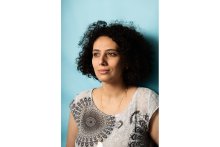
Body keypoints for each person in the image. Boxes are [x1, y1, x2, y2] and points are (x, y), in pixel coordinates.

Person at [66, 20, 159, 147]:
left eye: (111, 54)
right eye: (96, 54)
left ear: (126, 60)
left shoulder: (146, 100)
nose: (101, 61)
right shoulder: (80, 102)